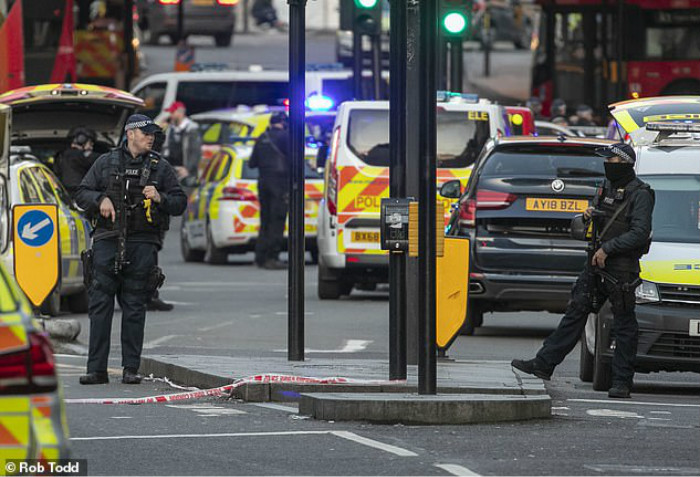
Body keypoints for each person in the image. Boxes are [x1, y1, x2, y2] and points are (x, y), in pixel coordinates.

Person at [511, 143, 654, 399]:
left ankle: (621, 382)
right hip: (595, 264)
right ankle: (543, 364)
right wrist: (588, 216)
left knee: (624, 325)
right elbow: (598, 223)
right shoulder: (605, 187)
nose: (606, 164)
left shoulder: (641, 193)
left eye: (610, 160)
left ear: (623, 163)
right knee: (575, 314)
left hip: (622, 269)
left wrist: (608, 249)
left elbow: (639, 233)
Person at [76, 114, 187, 385]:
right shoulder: (105, 162)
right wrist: (100, 198)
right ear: (131, 133)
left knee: (135, 305)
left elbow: (180, 202)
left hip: (142, 243)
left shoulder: (160, 167)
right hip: (108, 239)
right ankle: (96, 370)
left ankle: (131, 369)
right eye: (146, 133)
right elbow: (80, 193)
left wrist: (160, 197)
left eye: (152, 134)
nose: (151, 137)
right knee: (100, 304)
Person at [249, 111, 289, 270]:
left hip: (263, 183)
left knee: (265, 221)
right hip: (279, 184)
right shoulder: (286, 137)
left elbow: (252, 163)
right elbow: (294, 161)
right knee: (277, 221)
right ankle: (272, 257)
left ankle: (260, 256)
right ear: (284, 123)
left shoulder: (261, 138)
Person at [54, 126, 100, 198]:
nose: (91, 146)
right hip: (78, 195)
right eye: (90, 143)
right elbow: (97, 159)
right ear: (81, 140)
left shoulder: (61, 155)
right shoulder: (77, 156)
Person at [162, 101, 201, 181]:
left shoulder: (192, 129)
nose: (171, 115)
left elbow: (195, 152)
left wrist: (187, 169)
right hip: (172, 170)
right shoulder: (170, 129)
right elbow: (165, 148)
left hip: (186, 173)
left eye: (173, 112)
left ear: (181, 113)